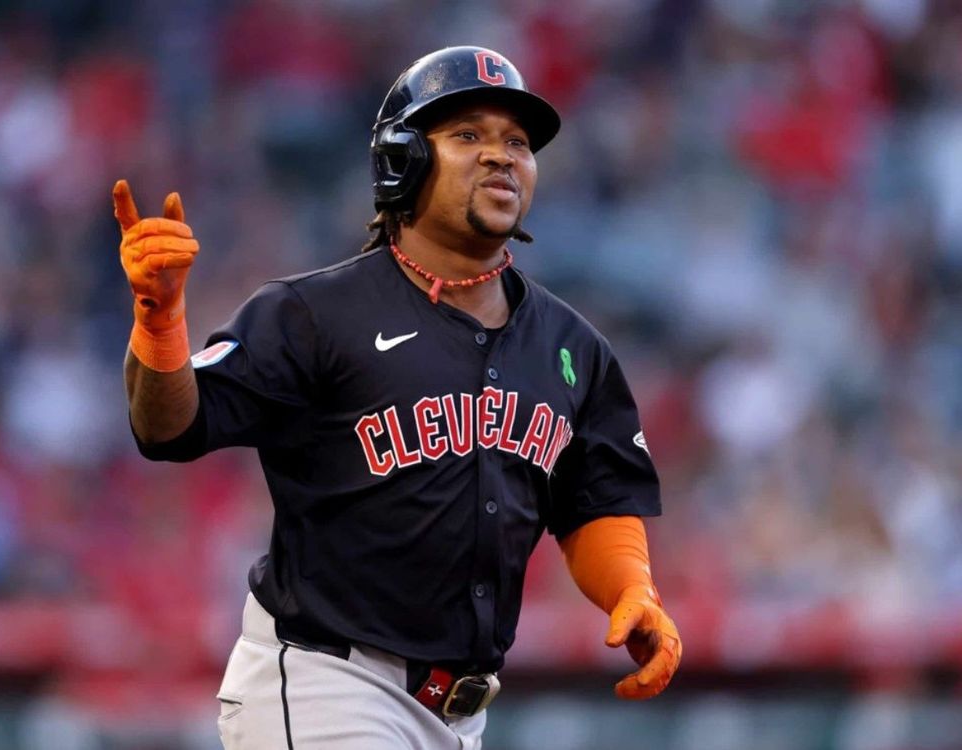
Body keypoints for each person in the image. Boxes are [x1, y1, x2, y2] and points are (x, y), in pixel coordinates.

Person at [115, 45, 682, 750]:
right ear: (401, 159)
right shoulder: (315, 313)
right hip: (328, 683)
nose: (501, 156)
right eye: (468, 135)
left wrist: (632, 589)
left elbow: (595, 501)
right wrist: (160, 323)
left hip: (461, 717)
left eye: (516, 142)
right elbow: (168, 428)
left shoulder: (572, 348)